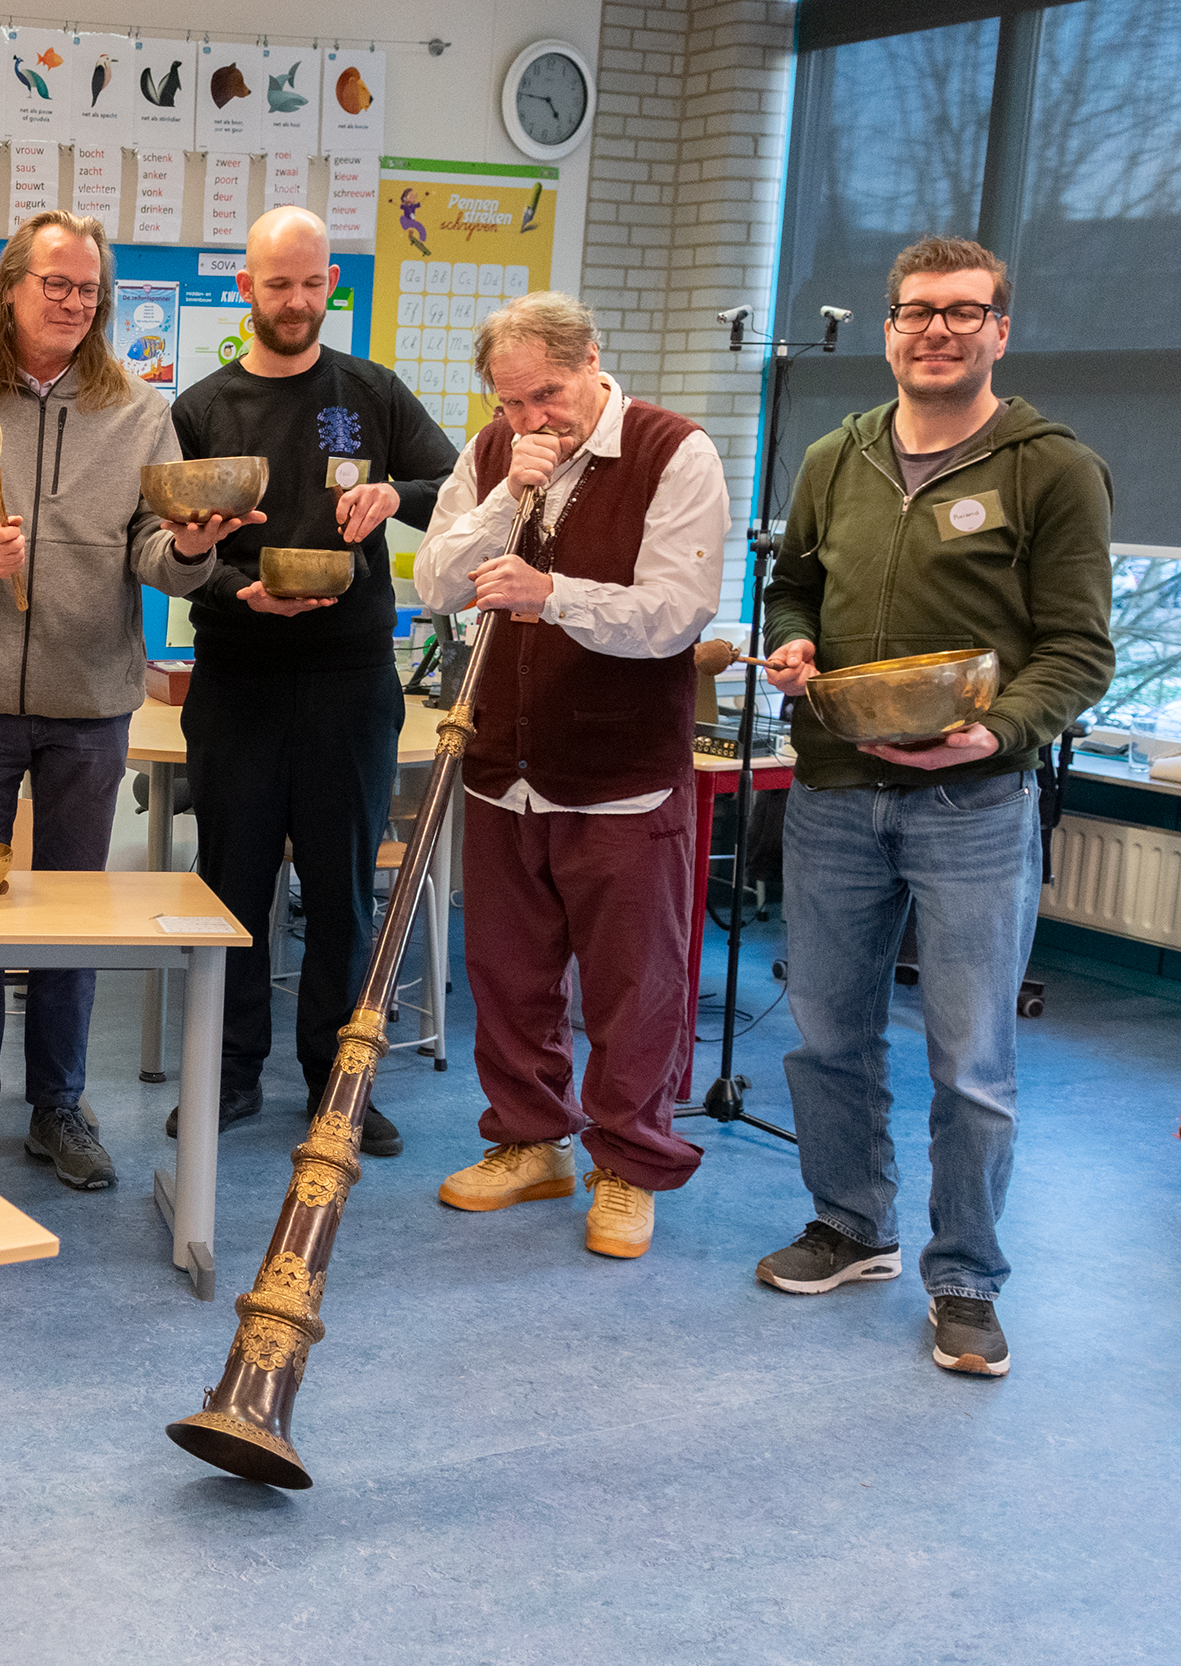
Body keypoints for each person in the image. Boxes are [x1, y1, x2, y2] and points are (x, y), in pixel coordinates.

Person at [755, 236, 1113, 1376]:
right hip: (832, 792)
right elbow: (791, 585)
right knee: (825, 1036)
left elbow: (1077, 650)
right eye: (917, 311)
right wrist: (791, 643)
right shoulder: (835, 456)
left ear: (1000, 329)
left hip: (974, 803)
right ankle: (851, 1223)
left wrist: (998, 732)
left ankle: (964, 1277)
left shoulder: (1051, 468)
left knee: (970, 1063)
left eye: (964, 311)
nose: (937, 330)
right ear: (888, 330)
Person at [0, 208, 248, 1190]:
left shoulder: (140, 412)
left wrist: (191, 550)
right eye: (57, 284)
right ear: (11, 289)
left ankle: (57, 1104)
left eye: (90, 289)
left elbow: (154, 555)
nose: (76, 303)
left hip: (90, 699)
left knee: (75, 914)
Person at [412, 291, 727, 1260]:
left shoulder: (674, 452)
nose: (530, 419)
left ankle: (629, 1163)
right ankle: (529, 1141)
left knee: (632, 984)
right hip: (503, 764)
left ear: (593, 358)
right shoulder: (492, 454)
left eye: (546, 395)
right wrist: (503, 497)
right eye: (510, 402)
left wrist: (552, 595)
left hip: (621, 773)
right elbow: (435, 582)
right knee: (507, 972)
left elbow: (676, 612)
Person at [168, 206, 459, 1152]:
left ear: (330, 283)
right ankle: (228, 1074)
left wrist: (397, 493)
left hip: (351, 680)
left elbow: (457, 493)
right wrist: (233, 586)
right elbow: (170, 550)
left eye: (309, 283)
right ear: (244, 287)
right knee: (231, 888)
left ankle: (340, 1084)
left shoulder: (371, 391)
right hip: (238, 676)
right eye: (276, 284)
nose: (294, 302)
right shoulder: (201, 410)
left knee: (342, 896)